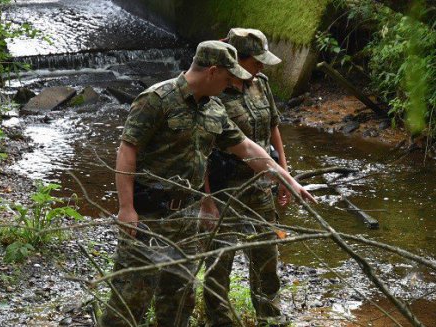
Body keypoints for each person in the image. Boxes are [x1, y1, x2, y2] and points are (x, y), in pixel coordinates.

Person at [99, 40, 314, 327]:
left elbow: (248, 149)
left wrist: (288, 180)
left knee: (178, 299)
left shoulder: (214, 109)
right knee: (130, 298)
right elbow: (128, 151)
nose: (230, 85)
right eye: (227, 77)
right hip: (149, 216)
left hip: (187, 218)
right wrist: (126, 208)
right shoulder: (157, 100)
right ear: (212, 72)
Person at [202, 28, 290, 327]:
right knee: (220, 262)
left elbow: (273, 129)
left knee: (266, 256)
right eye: (257, 61)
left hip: (262, 184)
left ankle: (271, 318)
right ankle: (221, 321)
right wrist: (207, 200)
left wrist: (283, 175)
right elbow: (200, 149)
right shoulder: (213, 91)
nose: (262, 67)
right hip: (225, 188)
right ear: (238, 59)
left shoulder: (260, 84)